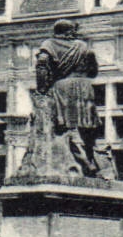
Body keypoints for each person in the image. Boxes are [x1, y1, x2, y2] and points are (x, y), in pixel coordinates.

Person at [33, 19, 105, 178]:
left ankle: (81, 161)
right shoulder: (84, 46)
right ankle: (91, 160)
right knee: (87, 125)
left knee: (66, 127)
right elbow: (93, 71)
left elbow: (41, 65)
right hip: (85, 87)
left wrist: (42, 89)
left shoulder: (49, 44)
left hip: (63, 87)